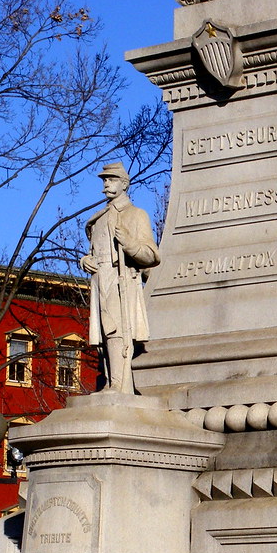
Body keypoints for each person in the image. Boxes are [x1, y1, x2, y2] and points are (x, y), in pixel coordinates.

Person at [81, 162, 160, 393]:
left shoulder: (136, 215)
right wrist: (85, 261)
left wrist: (129, 243)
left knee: (115, 330)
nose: (106, 183)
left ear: (124, 184)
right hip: (100, 279)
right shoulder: (98, 219)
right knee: (103, 336)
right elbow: (93, 252)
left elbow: (152, 256)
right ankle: (109, 381)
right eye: (104, 180)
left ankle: (118, 384)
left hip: (121, 279)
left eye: (111, 179)